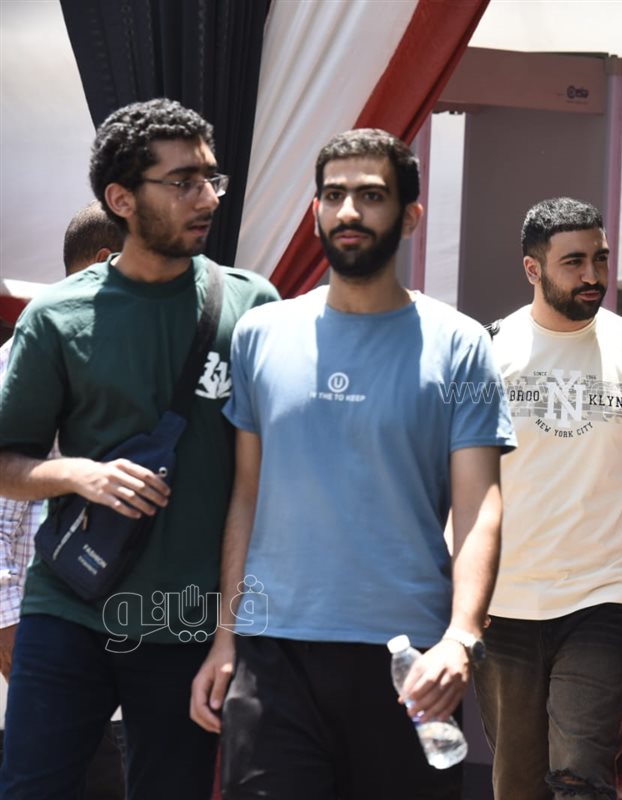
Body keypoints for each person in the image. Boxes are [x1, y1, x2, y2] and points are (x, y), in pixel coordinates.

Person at [188, 128, 516, 799]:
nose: (348, 211)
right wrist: (225, 638)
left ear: (410, 216)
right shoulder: (259, 334)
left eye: (371, 196)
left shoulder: (460, 344)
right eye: (334, 195)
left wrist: (461, 637)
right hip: (271, 653)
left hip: (408, 658)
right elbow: (246, 495)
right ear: (315, 211)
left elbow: (479, 505)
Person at [0, 98, 279, 799]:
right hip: (70, 608)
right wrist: (79, 474)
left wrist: (231, 634)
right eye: (183, 181)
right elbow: (6, 462)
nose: (207, 198)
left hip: (187, 625)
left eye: (212, 178)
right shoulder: (57, 316)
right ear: (121, 199)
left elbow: (264, 487)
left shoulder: (253, 308)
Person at [475, 197, 622, 800]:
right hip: (505, 604)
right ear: (532, 268)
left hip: (605, 596)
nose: (593, 275)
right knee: (518, 784)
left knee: (580, 778)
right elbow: (460, 484)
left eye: (601, 259)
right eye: (574, 262)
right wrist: (461, 594)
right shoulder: (488, 350)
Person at [0, 200, 127, 800]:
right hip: (32, 657)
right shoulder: (18, 362)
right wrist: (10, 630)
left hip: (112, 654)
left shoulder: (130, 364)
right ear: (106, 261)